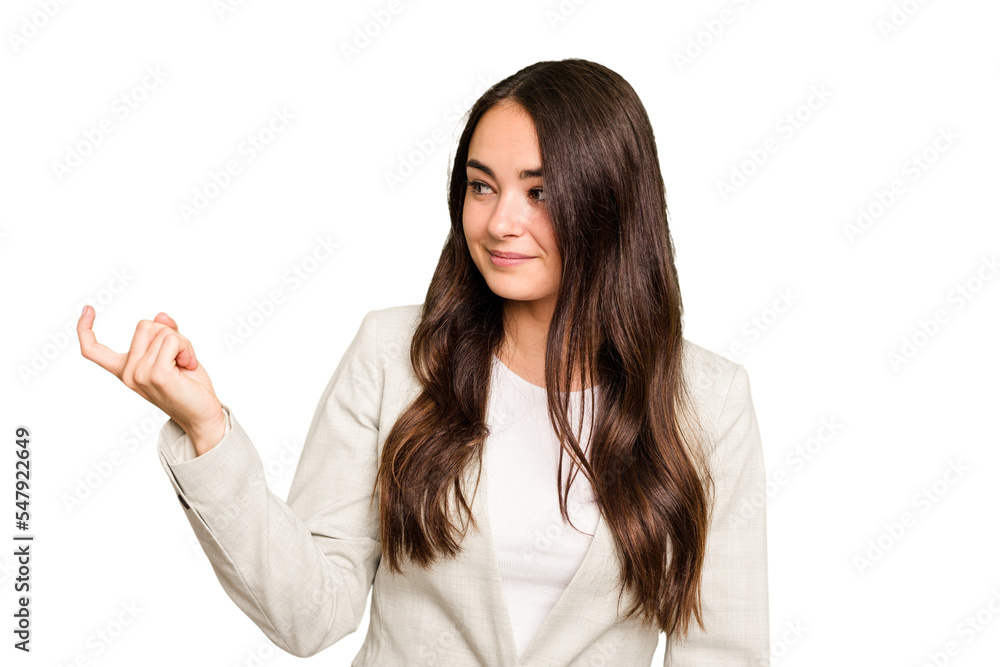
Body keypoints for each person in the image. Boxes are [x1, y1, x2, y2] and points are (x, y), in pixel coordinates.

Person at [77, 58, 769, 666]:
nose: (500, 222)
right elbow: (310, 611)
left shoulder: (708, 402)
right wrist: (206, 430)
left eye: (541, 192)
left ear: (611, 201)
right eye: (481, 185)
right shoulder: (392, 356)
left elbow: (724, 654)